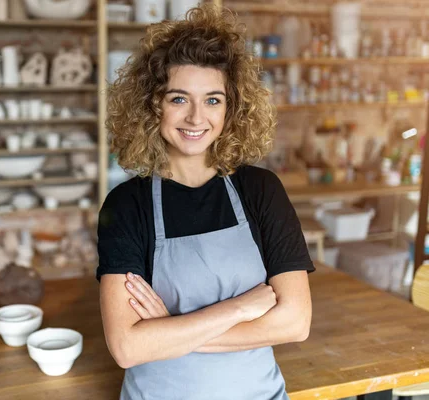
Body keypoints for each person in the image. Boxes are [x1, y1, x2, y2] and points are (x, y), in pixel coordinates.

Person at [97, 4, 314, 400]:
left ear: (231, 107)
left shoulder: (261, 190)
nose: (197, 118)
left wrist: (171, 330)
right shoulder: (128, 205)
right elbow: (127, 348)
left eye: (213, 100)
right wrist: (240, 309)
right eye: (179, 99)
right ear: (153, 104)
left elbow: (295, 323)